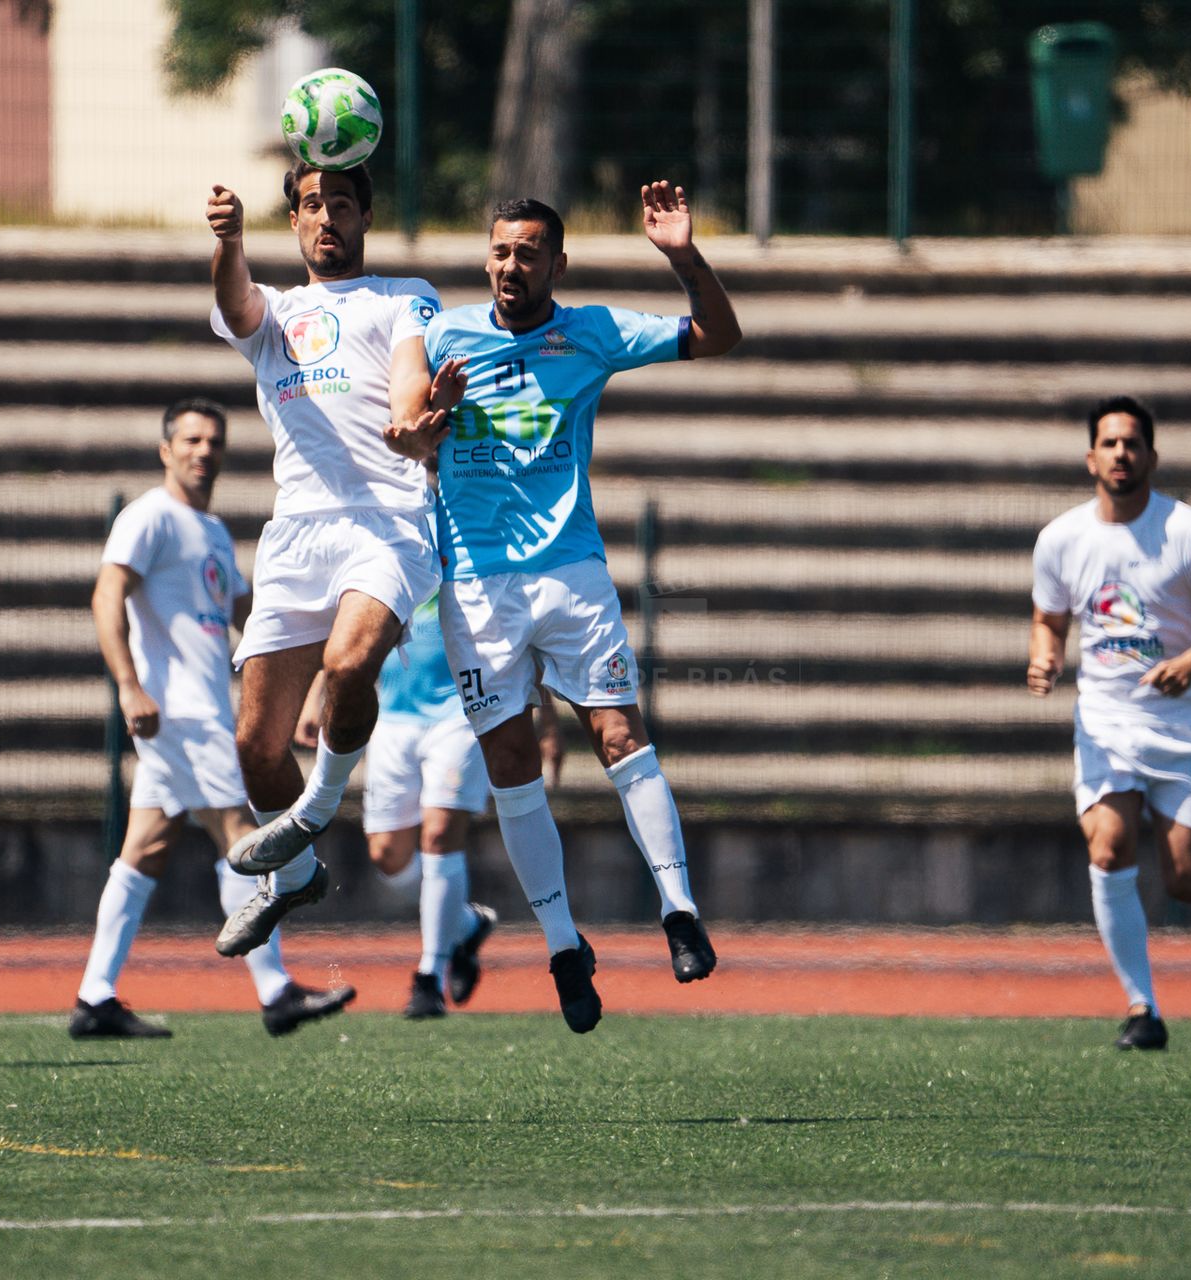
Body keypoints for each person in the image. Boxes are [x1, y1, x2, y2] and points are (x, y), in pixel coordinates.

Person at [424, 183, 742, 1034]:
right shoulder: (440, 335)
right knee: (513, 766)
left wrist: (682, 255)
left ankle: (678, 910)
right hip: (477, 587)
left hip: (571, 572)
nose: (510, 266)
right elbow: (406, 436)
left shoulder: (592, 331)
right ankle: (566, 947)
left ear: (555, 264)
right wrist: (436, 414)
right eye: (500, 251)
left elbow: (719, 335)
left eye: (528, 253)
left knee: (619, 737)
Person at [204, 159, 463, 958]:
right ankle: (297, 876)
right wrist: (228, 239)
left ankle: (313, 812)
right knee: (254, 753)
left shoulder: (403, 296)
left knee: (349, 667)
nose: (326, 218)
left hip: (387, 520)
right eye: (311, 205)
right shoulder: (278, 313)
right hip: (296, 534)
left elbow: (411, 379)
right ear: (294, 222)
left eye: (340, 204)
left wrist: (417, 428)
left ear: (364, 216)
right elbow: (234, 303)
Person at [70, 399, 355, 1040]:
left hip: (196, 713)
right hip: (179, 714)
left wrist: (310, 683)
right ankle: (275, 990)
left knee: (143, 852)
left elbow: (252, 621)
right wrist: (128, 686)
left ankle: (94, 998)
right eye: (191, 440)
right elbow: (106, 594)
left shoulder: (215, 532)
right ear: (166, 450)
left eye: (214, 441)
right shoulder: (148, 517)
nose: (204, 451)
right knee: (243, 834)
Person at [1027, 396, 1191, 1051]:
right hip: (1105, 721)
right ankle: (1143, 1007)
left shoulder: (1188, 533)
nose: (1121, 454)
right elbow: (1050, 618)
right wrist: (1044, 656)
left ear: (1152, 457)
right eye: (1110, 443)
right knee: (1108, 844)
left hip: (1181, 728)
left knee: (1183, 881)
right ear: (1090, 458)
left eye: (1133, 443)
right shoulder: (1061, 540)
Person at [294, 599, 555, 1019]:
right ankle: (466, 925)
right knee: (387, 856)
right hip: (392, 722)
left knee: (438, 836)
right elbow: (354, 625)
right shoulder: (397, 558)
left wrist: (548, 728)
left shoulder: (466, 561)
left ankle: (429, 976)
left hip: (459, 717)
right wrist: (317, 696)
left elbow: (521, 644)